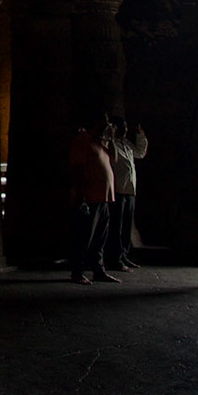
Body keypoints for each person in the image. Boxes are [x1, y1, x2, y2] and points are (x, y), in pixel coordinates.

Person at [67, 113, 117, 284]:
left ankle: (98, 270)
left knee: (100, 238)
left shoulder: (99, 143)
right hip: (90, 198)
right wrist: (80, 195)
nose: (107, 124)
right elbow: (77, 168)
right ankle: (77, 272)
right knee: (84, 237)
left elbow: (114, 159)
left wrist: (111, 140)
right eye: (104, 121)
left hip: (103, 198)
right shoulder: (83, 140)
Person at [104, 115, 148, 269]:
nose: (125, 129)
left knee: (126, 226)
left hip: (129, 190)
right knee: (117, 225)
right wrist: (112, 136)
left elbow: (140, 153)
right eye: (122, 127)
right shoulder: (111, 144)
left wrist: (140, 135)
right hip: (118, 190)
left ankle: (124, 255)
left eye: (126, 127)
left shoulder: (127, 144)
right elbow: (114, 159)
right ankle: (114, 257)